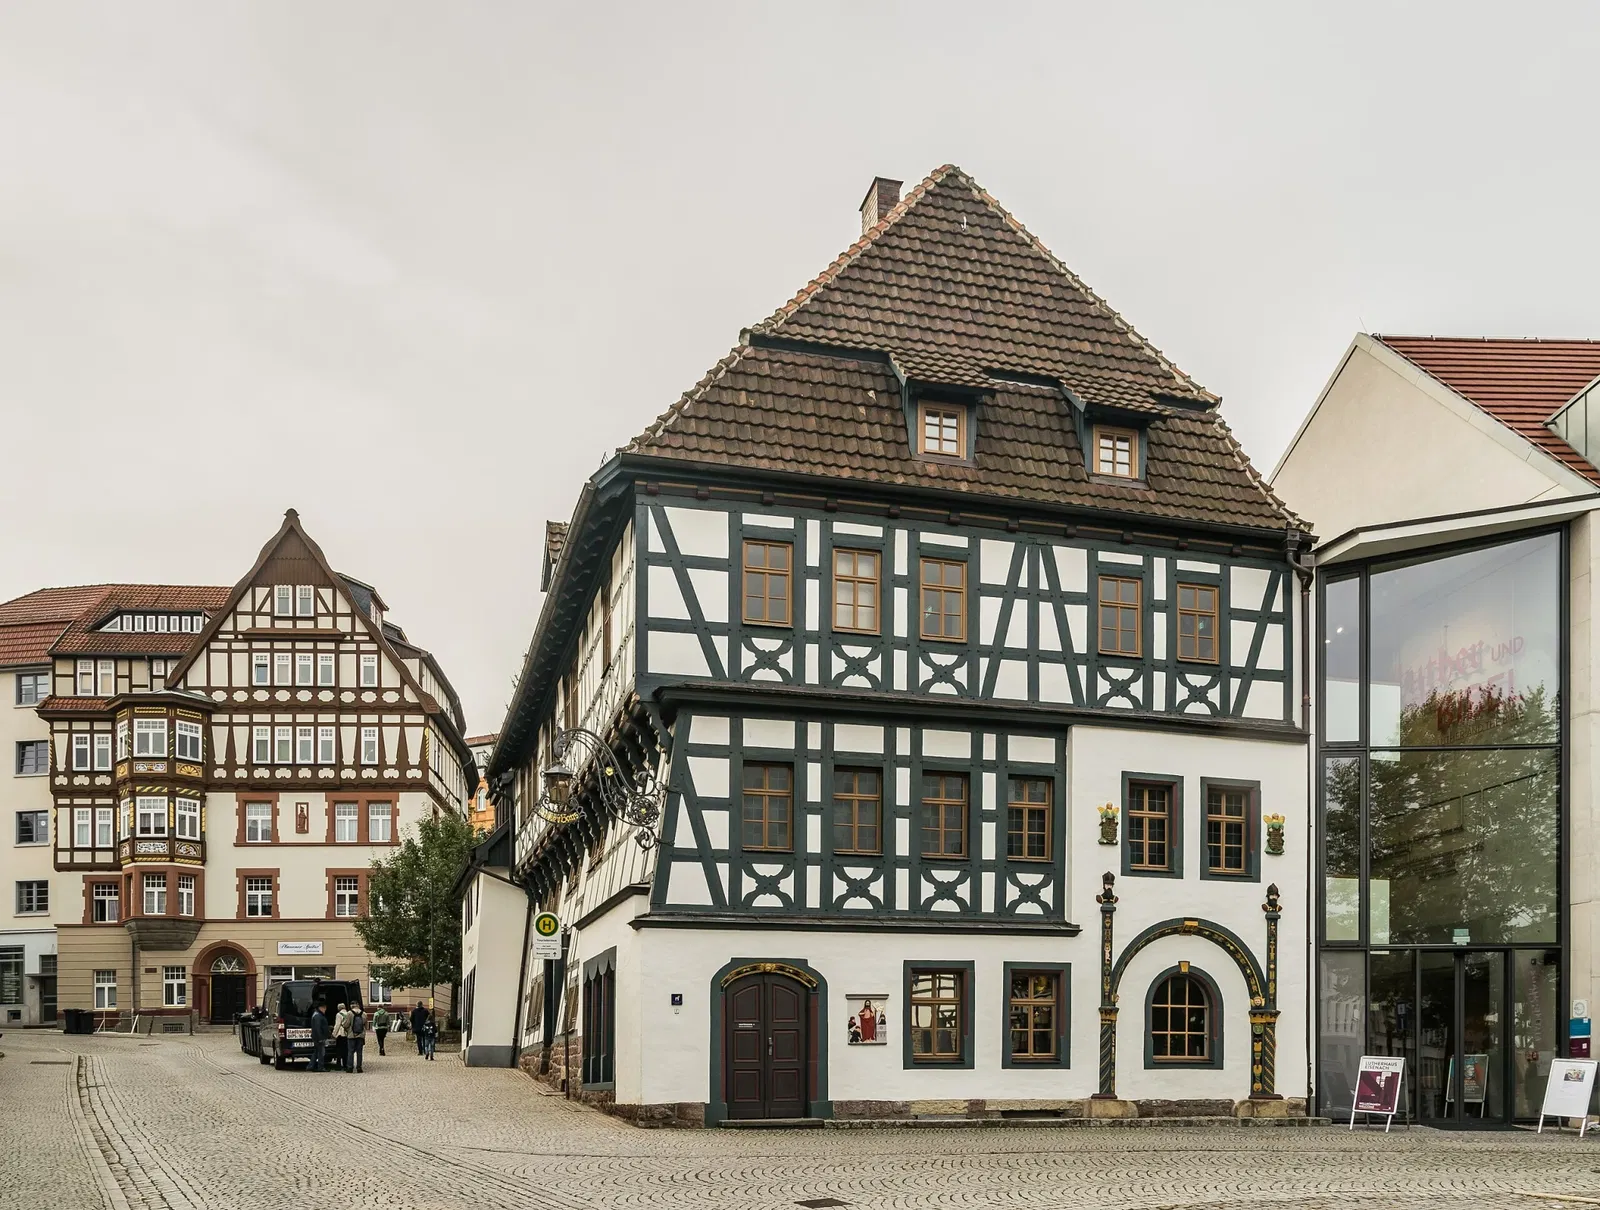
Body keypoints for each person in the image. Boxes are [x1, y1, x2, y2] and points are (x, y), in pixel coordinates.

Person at [309, 1003, 331, 1072]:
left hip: (316, 1037)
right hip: (319, 1037)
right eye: (325, 1009)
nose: (325, 1010)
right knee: (321, 1053)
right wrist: (320, 1038)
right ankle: (320, 1067)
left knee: (316, 1052)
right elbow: (318, 1028)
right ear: (321, 1008)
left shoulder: (317, 1014)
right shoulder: (318, 1016)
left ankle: (310, 1066)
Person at [332, 1002, 352, 1072]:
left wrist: (334, 1034)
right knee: (346, 1050)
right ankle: (345, 1064)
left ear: (339, 1008)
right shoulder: (349, 1014)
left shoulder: (339, 1014)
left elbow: (337, 1025)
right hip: (347, 1034)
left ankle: (338, 1065)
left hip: (341, 1034)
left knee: (339, 1051)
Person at [347, 1002, 366, 1073]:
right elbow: (365, 1025)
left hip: (351, 1035)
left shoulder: (349, 1013)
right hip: (360, 1035)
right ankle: (359, 1067)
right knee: (359, 1052)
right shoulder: (364, 1014)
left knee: (350, 1052)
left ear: (352, 1006)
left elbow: (346, 1024)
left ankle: (350, 1068)